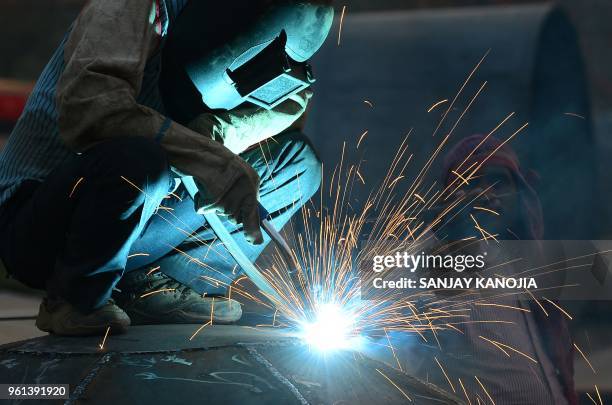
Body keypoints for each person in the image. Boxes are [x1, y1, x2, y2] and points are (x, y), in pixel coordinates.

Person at [0, 0, 327, 336]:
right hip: (43, 225)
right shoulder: (130, 8)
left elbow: (289, 106)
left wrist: (223, 131)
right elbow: (92, 113)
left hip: (139, 216)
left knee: (296, 164)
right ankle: (76, 297)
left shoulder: (280, 38)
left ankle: (151, 289)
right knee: (140, 162)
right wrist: (208, 157)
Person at [409, 134, 577, 404]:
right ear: (451, 196)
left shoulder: (526, 258)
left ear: (520, 191)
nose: (486, 192)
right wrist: (446, 233)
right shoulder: (432, 251)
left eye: (498, 182)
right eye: (472, 182)